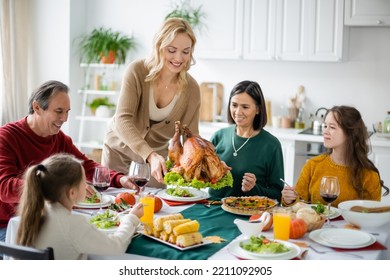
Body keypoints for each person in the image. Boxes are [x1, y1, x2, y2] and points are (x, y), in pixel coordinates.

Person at [0, 80, 140, 241]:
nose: (65, 118)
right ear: (37, 107)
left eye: (67, 112)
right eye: (59, 111)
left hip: (45, 219)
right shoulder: (6, 137)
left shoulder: (59, 139)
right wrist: (58, 186)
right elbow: (4, 188)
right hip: (9, 226)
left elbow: (86, 166)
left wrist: (119, 178)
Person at [102, 18, 200, 187]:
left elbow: (191, 137)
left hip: (158, 160)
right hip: (120, 150)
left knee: (157, 206)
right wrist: (150, 155)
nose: (179, 58)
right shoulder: (137, 71)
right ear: (159, 46)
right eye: (172, 50)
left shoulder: (192, 89)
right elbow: (122, 119)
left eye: (186, 51)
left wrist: (206, 160)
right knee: (114, 204)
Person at [16, 153, 143, 260]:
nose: (87, 184)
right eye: (83, 181)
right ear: (72, 192)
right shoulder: (73, 224)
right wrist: (131, 218)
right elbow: (116, 247)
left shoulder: (30, 215)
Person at [282, 105, 388, 207]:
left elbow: (371, 215)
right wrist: (289, 200)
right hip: (317, 225)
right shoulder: (312, 165)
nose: (325, 131)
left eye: (332, 127)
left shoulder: (369, 175)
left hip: (351, 226)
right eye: (325, 126)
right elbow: (299, 205)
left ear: (350, 133)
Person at [208, 80, 284, 202]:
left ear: (258, 109)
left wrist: (254, 188)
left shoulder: (271, 145)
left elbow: (277, 194)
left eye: (245, 107)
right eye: (234, 105)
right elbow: (202, 179)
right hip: (211, 207)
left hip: (247, 214)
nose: (238, 112)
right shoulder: (218, 136)